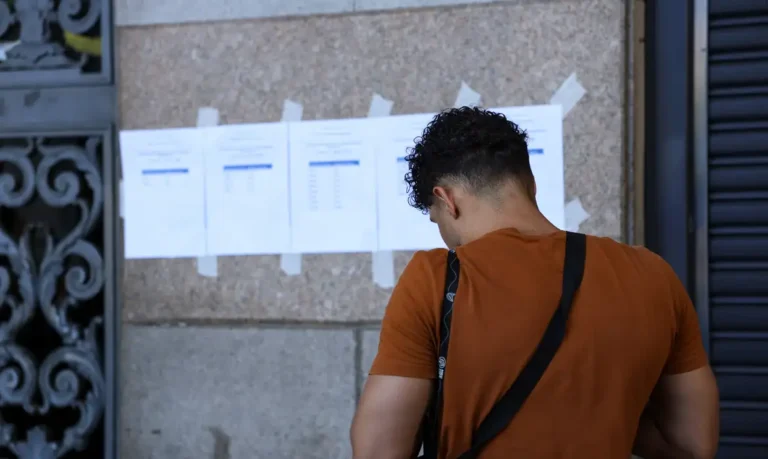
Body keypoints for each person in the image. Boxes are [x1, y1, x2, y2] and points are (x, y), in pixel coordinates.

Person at [350, 107, 719, 459]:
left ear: (447, 200)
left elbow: (379, 450)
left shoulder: (434, 278)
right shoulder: (652, 274)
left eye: (437, 221)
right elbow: (692, 445)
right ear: (531, 184)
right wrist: (608, 408)